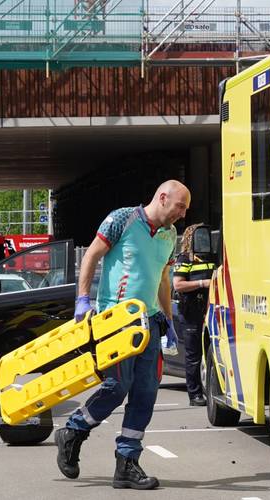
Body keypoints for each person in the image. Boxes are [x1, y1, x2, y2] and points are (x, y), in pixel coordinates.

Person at [54, 180, 191, 490]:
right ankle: (73, 431)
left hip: (150, 322)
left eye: (185, 209)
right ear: (162, 197)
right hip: (116, 320)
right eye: (180, 206)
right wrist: (83, 298)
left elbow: (163, 281)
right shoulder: (122, 219)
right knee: (117, 386)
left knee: (145, 393)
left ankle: (127, 463)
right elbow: (91, 255)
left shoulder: (169, 234)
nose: (182, 214)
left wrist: (169, 320)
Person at [171, 223, 215, 406]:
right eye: (200, 236)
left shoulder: (212, 258)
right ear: (191, 238)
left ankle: (210, 389)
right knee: (193, 355)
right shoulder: (184, 259)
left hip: (210, 309)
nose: (204, 240)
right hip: (190, 311)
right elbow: (178, 285)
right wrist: (203, 283)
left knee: (211, 352)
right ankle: (195, 394)